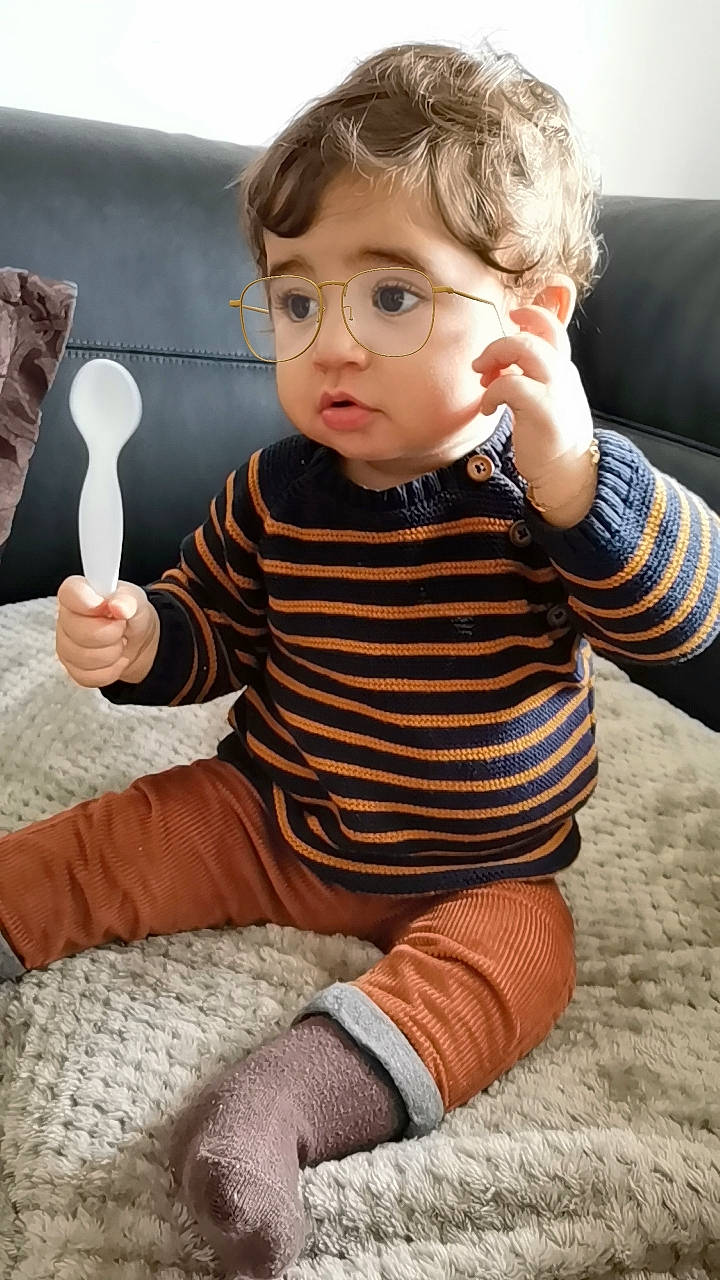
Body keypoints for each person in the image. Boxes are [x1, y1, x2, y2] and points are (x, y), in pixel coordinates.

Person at [2, 39, 719, 1280]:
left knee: (520, 964)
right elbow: (212, 625)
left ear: (534, 323)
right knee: (101, 842)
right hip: (271, 812)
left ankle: (274, 1109)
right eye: (296, 300)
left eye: (392, 297)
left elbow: (684, 618)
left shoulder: (551, 495)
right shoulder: (275, 492)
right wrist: (139, 637)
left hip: (482, 869)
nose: (331, 342)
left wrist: (577, 485)